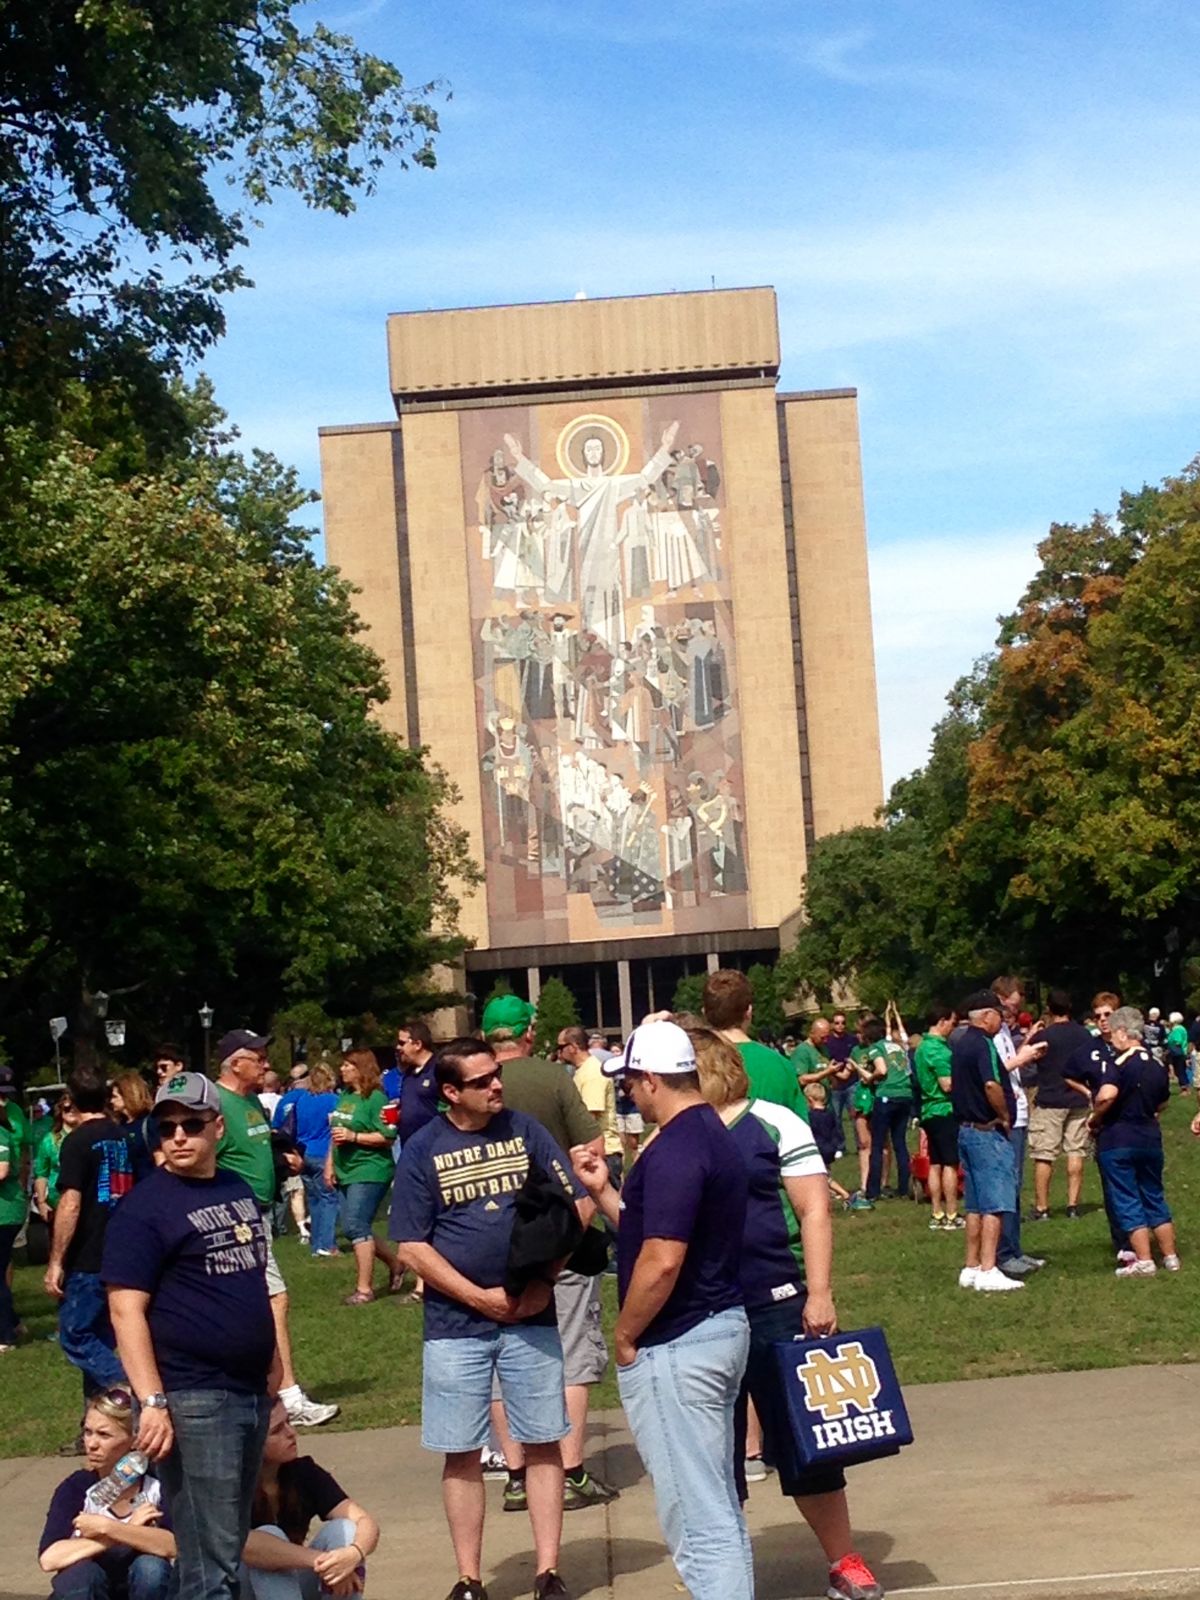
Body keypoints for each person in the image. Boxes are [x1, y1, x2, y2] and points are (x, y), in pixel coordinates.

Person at [390, 1035, 589, 1600]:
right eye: (479, 1081)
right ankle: (469, 1578)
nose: (495, 1085)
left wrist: (543, 1282)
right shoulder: (424, 1148)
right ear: (450, 1091)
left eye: (494, 1075)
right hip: (456, 1326)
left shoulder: (527, 1131)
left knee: (545, 1440)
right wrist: (478, 1297)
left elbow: (576, 1203)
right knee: (461, 1450)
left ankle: (548, 1571)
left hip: (532, 1315)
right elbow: (411, 1244)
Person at [689, 1028, 884, 1600]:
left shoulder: (775, 1122)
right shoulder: (677, 1133)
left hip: (776, 1299)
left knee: (806, 1441)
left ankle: (844, 1560)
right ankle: (726, 1573)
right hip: (702, 1309)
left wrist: (818, 1292)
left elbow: (814, 1209)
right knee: (712, 1449)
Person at [575, 1021, 753, 1600]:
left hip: (680, 1341)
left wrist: (626, 1335)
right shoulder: (709, 1133)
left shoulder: (677, 1145)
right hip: (715, 1325)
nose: (628, 1091)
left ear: (652, 1079)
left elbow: (663, 1257)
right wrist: (606, 1193)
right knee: (713, 1501)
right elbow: (660, 1231)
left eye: (630, 1081)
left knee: (696, 1514)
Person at [102, 1071, 277, 1600]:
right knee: (208, 1563)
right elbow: (124, 1310)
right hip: (194, 1396)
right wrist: (153, 1402)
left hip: (248, 1391)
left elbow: (256, 1286)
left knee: (226, 1547)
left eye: (192, 1124)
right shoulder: (145, 1208)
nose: (178, 1135)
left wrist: (277, 1380)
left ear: (217, 1128)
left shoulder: (236, 1188)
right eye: (167, 1126)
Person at [485, 999, 615, 1513]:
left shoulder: (474, 1084)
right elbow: (593, 1144)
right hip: (558, 1228)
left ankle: (516, 1472)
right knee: (574, 1352)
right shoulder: (553, 1078)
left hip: (491, 1239)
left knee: (501, 1353)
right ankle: (571, 1469)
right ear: (529, 1032)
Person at [215, 1030, 338, 1428]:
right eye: (259, 1058)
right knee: (274, 1300)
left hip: (260, 1213)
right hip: (237, 1219)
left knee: (255, 1305)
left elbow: (254, 1148)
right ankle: (288, 1396)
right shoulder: (217, 1104)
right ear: (236, 1063)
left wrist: (282, 1158)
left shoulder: (250, 1101)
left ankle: (257, 1390)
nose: (267, 1065)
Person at [45, 1065, 138, 1400]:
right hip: (122, 1247)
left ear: (72, 1099)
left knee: (75, 1334)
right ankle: (99, 1427)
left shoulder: (77, 1142)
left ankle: (130, 1388)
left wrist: (56, 1260)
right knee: (100, 1336)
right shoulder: (121, 1136)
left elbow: (70, 1203)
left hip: (89, 1253)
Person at [38, 1385, 176, 1600]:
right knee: (81, 1575)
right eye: (87, 1432)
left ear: (134, 1441)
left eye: (104, 1434)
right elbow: (50, 1559)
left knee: (151, 1569)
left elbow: (175, 1546)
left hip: (142, 1586)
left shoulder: (157, 1485)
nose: (91, 1444)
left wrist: (106, 1528)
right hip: (88, 1589)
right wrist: (123, 1531)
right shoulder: (77, 1487)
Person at [1073, 1008, 1178, 1276]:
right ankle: (1170, 1256)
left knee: (1127, 1197)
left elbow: (1107, 1095)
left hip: (1119, 1138)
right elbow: (1164, 1101)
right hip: (1150, 1137)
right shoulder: (1155, 1064)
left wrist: (1095, 1117)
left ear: (1122, 1032)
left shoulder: (1118, 1063)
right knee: (1154, 1196)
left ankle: (1143, 1259)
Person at [241, 1400, 380, 1600]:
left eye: (289, 1422)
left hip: (294, 1581)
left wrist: (351, 1555)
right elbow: (248, 1547)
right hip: (238, 1588)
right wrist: (325, 1561)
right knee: (269, 1538)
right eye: (277, 1430)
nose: (291, 1433)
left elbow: (365, 1522)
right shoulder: (231, 1484)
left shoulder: (304, 1472)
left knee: (345, 1530)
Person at [950, 993, 1023, 1293]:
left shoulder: (959, 1044)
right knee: (995, 1203)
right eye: (999, 1014)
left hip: (965, 1130)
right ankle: (989, 1268)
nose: (1002, 1020)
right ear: (987, 1016)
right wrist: (1004, 1115)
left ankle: (971, 1266)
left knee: (975, 1205)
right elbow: (991, 1084)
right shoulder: (984, 1045)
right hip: (987, 1131)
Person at [326, 1049, 401, 1304]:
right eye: (343, 1064)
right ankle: (396, 1263)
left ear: (362, 1068)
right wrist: (329, 1165)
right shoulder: (345, 1097)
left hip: (370, 1168)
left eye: (349, 1065)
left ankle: (364, 1289)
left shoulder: (377, 1099)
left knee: (356, 1225)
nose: (343, 1069)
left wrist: (354, 1137)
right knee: (351, 1227)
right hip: (345, 1168)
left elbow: (388, 1137)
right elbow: (335, 1133)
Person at [990, 977, 1047, 1279]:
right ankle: (1004, 1253)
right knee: (1006, 1186)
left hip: (1019, 1112)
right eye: (1015, 997)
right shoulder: (987, 1035)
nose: (1019, 1003)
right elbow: (995, 1071)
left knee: (1015, 1186)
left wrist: (1027, 1045)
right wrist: (1022, 1057)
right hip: (1008, 1116)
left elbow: (1009, 1062)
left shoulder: (1003, 1032)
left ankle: (1014, 1249)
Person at [702, 968, 809, 1120]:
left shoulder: (693, 1066)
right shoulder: (781, 1066)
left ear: (704, 1012)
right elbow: (800, 1131)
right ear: (749, 1011)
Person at [1028, 990, 1092, 1221]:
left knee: (1044, 1154)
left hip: (1050, 1098)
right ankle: (1072, 1204)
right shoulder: (1084, 1034)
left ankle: (1042, 1207)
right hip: (1077, 1098)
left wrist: (1031, 1034)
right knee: (1076, 1150)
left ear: (1049, 1008)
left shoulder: (1046, 1035)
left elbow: (1024, 1057)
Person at [277, 1064, 339, 1259]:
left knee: (313, 1200)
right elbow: (334, 1128)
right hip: (323, 1153)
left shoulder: (302, 1100)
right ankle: (327, 1244)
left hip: (303, 1153)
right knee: (329, 1199)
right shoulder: (333, 1100)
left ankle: (316, 1245)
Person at [913, 1007, 961, 1229]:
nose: (953, 1027)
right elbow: (947, 1083)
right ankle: (952, 1213)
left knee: (934, 1163)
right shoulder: (939, 1050)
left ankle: (936, 1212)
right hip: (944, 1109)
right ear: (942, 1021)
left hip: (927, 1110)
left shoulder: (921, 1047)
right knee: (950, 1163)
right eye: (952, 1022)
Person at [556, 1026, 621, 1187]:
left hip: (603, 1153)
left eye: (560, 1047)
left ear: (572, 1047)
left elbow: (590, 1116)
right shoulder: (581, 1071)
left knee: (609, 1209)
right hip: (591, 1152)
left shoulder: (592, 1073)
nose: (558, 1052)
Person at [858, 1019, 913, 1203]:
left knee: (878, 1144)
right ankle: (905, 1187)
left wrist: (870, 1078)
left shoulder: (875, 1048)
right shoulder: (897, 1046)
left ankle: (873, 1191)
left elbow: (881, 1070)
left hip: (886, 1095)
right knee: (900, 1143)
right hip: (905, 1094)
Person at [383, 1022, 441, 1151]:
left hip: (434, 1147)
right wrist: (398, 1112)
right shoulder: (408, 1073)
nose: (398, 1047)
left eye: (402, 1043)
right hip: (410, 1148)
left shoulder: (439, 1069)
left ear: (417, 1044)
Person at [0, 1098, 26, 1353]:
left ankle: (5, 1335)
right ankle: (14, 1323)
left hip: (4, 1212)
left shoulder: (0, 1134)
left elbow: (1, 1171)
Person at [35, 1094, 82, 1229]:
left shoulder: (89, 1135)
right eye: (67, 1108)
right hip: (57, 1203)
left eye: (75, 1108)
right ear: (60, 1111)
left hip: (86, 1202)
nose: (71, 1111)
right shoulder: (49, 1140)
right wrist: (42, 1202)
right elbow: (41, 1174)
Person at [803, 1083, 852, 1205]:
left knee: (822, 1176)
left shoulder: (811, 1116)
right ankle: (828, 1193)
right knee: (825, 1171)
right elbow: (836, 1130)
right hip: (830, 1147)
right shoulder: (830, 1113)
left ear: (809, 1099)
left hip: (818, 1149)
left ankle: (843, 1193)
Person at [107, 1074, 159, 1180]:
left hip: (147, 1186)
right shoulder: (119, 1126)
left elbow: (160, 1160)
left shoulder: (149, 1123)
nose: (111, 1101)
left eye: (115, 1096)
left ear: (128, 1095)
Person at [1165, 1011, 1189, 1091]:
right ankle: (1185, 1086)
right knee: (1180, 1070)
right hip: (1181, 1051)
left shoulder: (1177, 1029)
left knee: (1180, 1070)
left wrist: (1169, 1048)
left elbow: (1177, 1041)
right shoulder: (1182, 1028)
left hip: (1178, 1052)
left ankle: (1184, 1088)